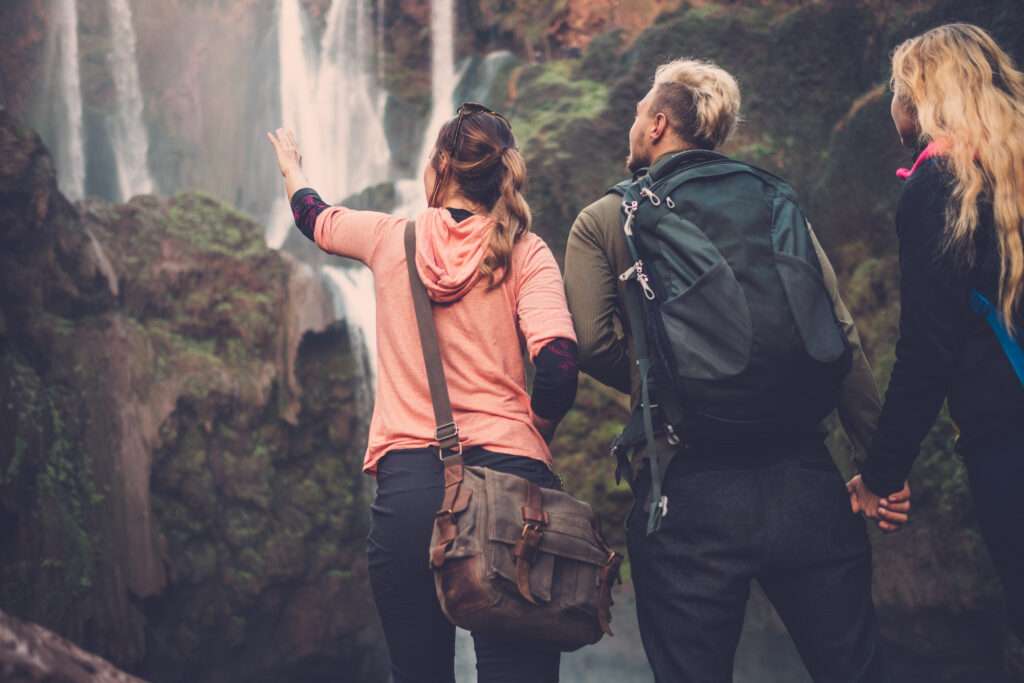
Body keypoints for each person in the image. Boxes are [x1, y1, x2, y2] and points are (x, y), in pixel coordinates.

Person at [563, 58, 910, 682]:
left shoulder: (605, 219)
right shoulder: (775, 197)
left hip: (686, 488)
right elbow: (840, 332)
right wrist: (877, 464)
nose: (634, 120)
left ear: (659, 124)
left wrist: (664, 384)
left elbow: (589, 343)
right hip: (806, 479)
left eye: (640, 111)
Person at [267, 103, 578, 683]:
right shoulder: (525, 251)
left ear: (438, 167)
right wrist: (537, 432)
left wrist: (292, 167)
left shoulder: (391, 239)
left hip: (412, 490)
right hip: (513, 489)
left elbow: (315, 217)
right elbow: (558, 362)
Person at [848, 23, 1024, 643]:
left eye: (899, 91)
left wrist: (881, 474)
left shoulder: (942, 183)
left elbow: (929, 350)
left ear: (921, 99)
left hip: (1010, 439)